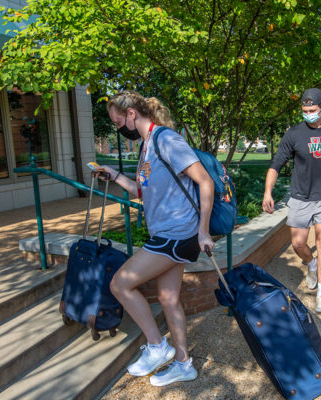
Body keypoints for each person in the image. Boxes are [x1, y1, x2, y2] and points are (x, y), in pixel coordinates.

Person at [96, 91, 214, 386]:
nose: (118, 128)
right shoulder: (147, 146)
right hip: (166, 233)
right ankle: (184, 364)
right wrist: (114, 176)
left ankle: (158, 346)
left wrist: (203, 230)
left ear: (132, 115)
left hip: (177, 233)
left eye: (118, 121)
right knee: (168, 298)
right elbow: (142, 189)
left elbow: (205, 181)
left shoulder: (166, 140)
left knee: (120, 283)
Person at [262, 88, 321, 313]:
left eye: (312, 110)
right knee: (298, 243)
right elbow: (276, 165)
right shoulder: (294, 134)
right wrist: (268, 192)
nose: (308, 114)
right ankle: (311, 264)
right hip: (301, 197)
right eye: (304, 110)